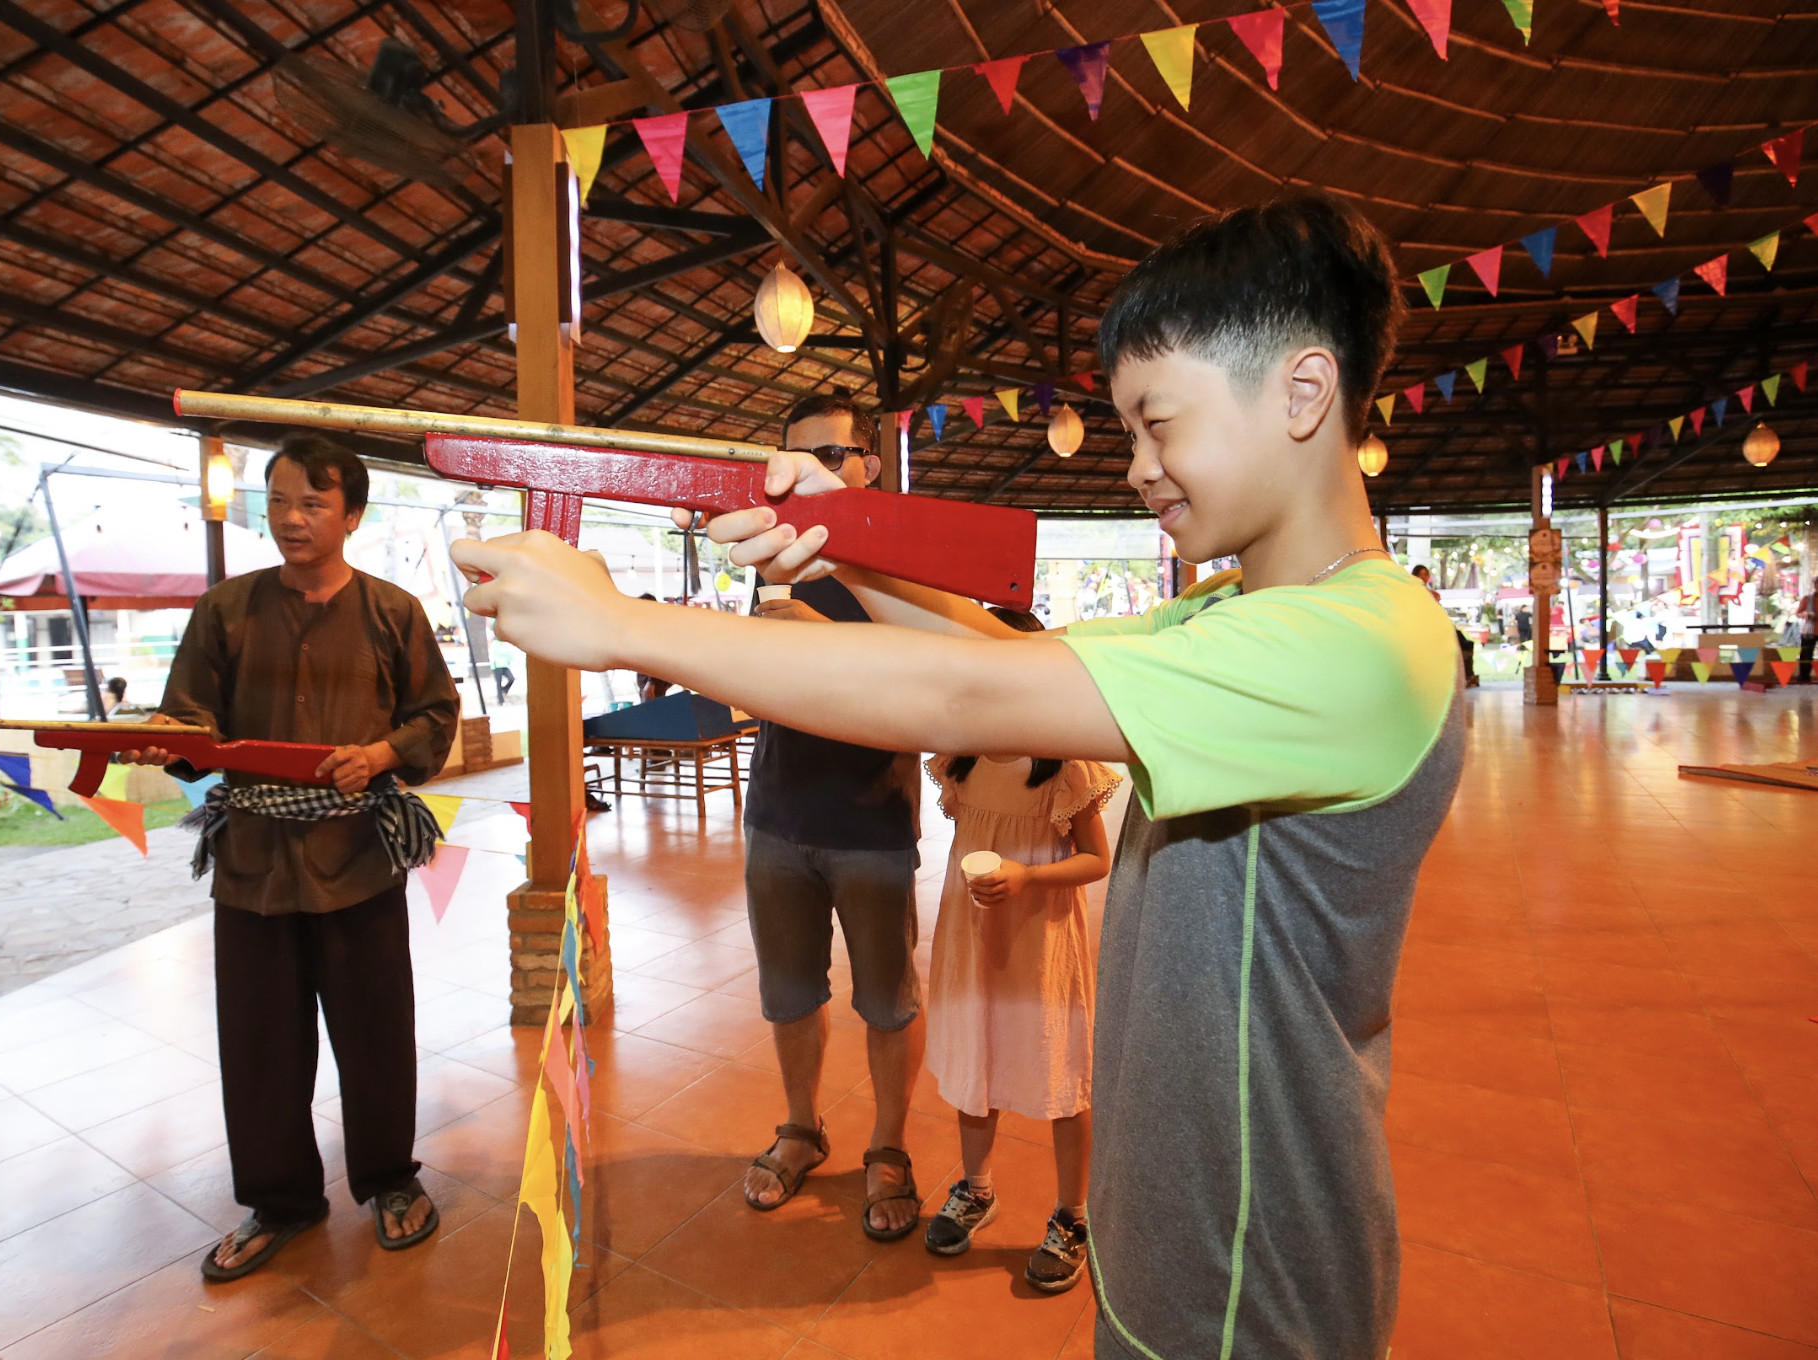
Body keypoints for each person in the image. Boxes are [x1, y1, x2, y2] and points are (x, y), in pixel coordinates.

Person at [451, 196, 1466, 1358]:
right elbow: (1001, 660)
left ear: (1301, 393)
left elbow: (965, 701)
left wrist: (626, 622)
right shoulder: (1240, 615)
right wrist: (851, 545)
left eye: (1156, 422)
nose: (1138, 468)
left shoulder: (1359, 646)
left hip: (1257, 1278)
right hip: (1182, 1237)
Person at [130, 433, 460, 1282]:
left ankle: (390, 1180)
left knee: (376, 1033)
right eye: (277, 501)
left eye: (312, 503)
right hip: (252, 862)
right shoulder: (226, 611)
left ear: (352, 514)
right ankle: (279, 1200)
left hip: (357, 860)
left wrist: (382, 756)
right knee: (259, 1043)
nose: (290, 519)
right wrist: (165, 744)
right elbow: (191, 729)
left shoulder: (393, 612)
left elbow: (433, 714)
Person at [736, 390, 928, 1243]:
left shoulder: (900, 561)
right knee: (787, 996)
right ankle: (802, 1128)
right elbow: (764, 669)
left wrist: (814, 639)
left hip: (874, 821)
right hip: (777, 813)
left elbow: (919, 683)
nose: (816, 471)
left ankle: (889, 1148)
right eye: (800, 457)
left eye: (835, 457)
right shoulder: (773, 555)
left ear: (869, 466)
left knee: (887, 1002)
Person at [919, 605, 1118, 1294]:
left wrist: (1030, 875)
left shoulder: (1063, 762)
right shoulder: (961, 754)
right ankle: (976, 1188)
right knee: (978, 1058)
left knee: (1060, 1070)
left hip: (1040, 942)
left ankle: (1072, 1213)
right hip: (972, 936)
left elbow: (1097, 860)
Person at [1413, 565, 1477, 686]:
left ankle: (1466, 674)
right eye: (1421, 574)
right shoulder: (1412, 593)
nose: (1423, 577)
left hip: (1437, 624)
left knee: (1464, 643)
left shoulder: (1433, 594)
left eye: (1425, 574)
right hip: (1423, 627)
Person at [1799, 584, 1816, 684]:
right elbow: (1798, 613)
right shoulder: (1807, 599)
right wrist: (1806, 615)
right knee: (1806, 655)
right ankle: (1804, 677)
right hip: (1809, 631)